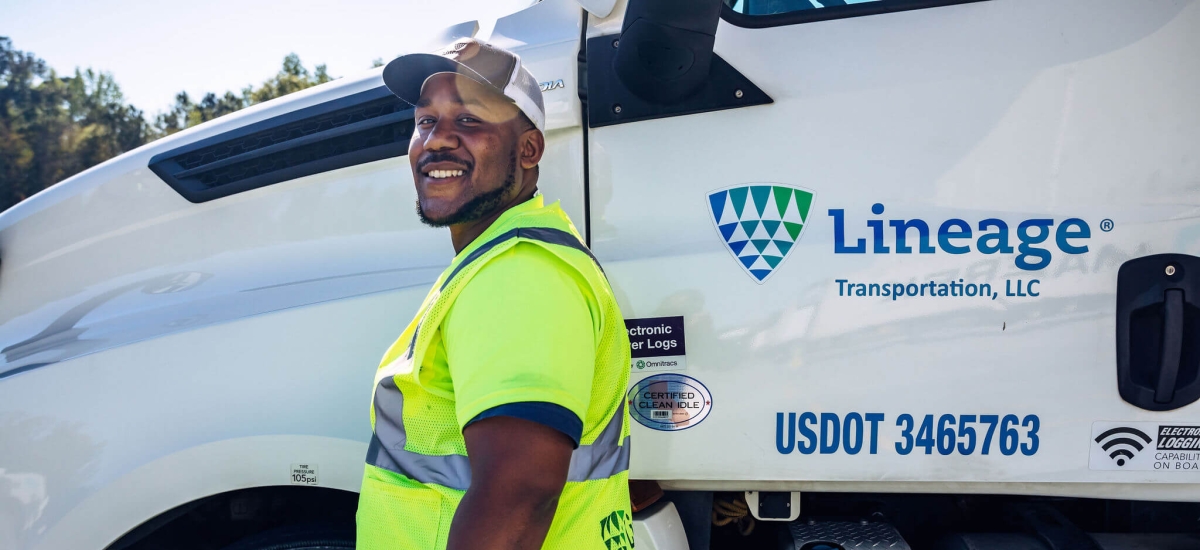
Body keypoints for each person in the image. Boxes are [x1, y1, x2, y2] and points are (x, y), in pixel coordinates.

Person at [355, 38, 634, 550]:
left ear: (528, 149)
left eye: (468, 121)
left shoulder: (520, 271)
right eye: (425, 122)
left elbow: (521, 489)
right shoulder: (497, 259)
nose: (436, 140)